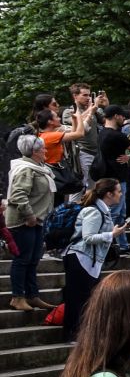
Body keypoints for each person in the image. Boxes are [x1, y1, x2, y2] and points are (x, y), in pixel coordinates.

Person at [61, 177, 128, 340]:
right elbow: (88, 237)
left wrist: (111, 233)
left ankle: (81, 333)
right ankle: (72, 334)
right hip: (80, 258)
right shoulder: (94, 211)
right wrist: (111, 234)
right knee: (77, 299)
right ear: (109, 194)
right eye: (118, 191)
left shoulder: (102, 210)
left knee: (86, 298)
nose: (121, 194)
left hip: (88, 259)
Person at [7, 133, 57, 312]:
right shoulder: (26, 169)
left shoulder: (38, 167)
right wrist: (29, 215)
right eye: (43, 148)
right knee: (23, 259)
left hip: (37, 221)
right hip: (24, 222)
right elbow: (18, 195)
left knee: (33, 260)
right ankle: (17, 297)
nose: (45, 150)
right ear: (34, 151)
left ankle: (32, 295)